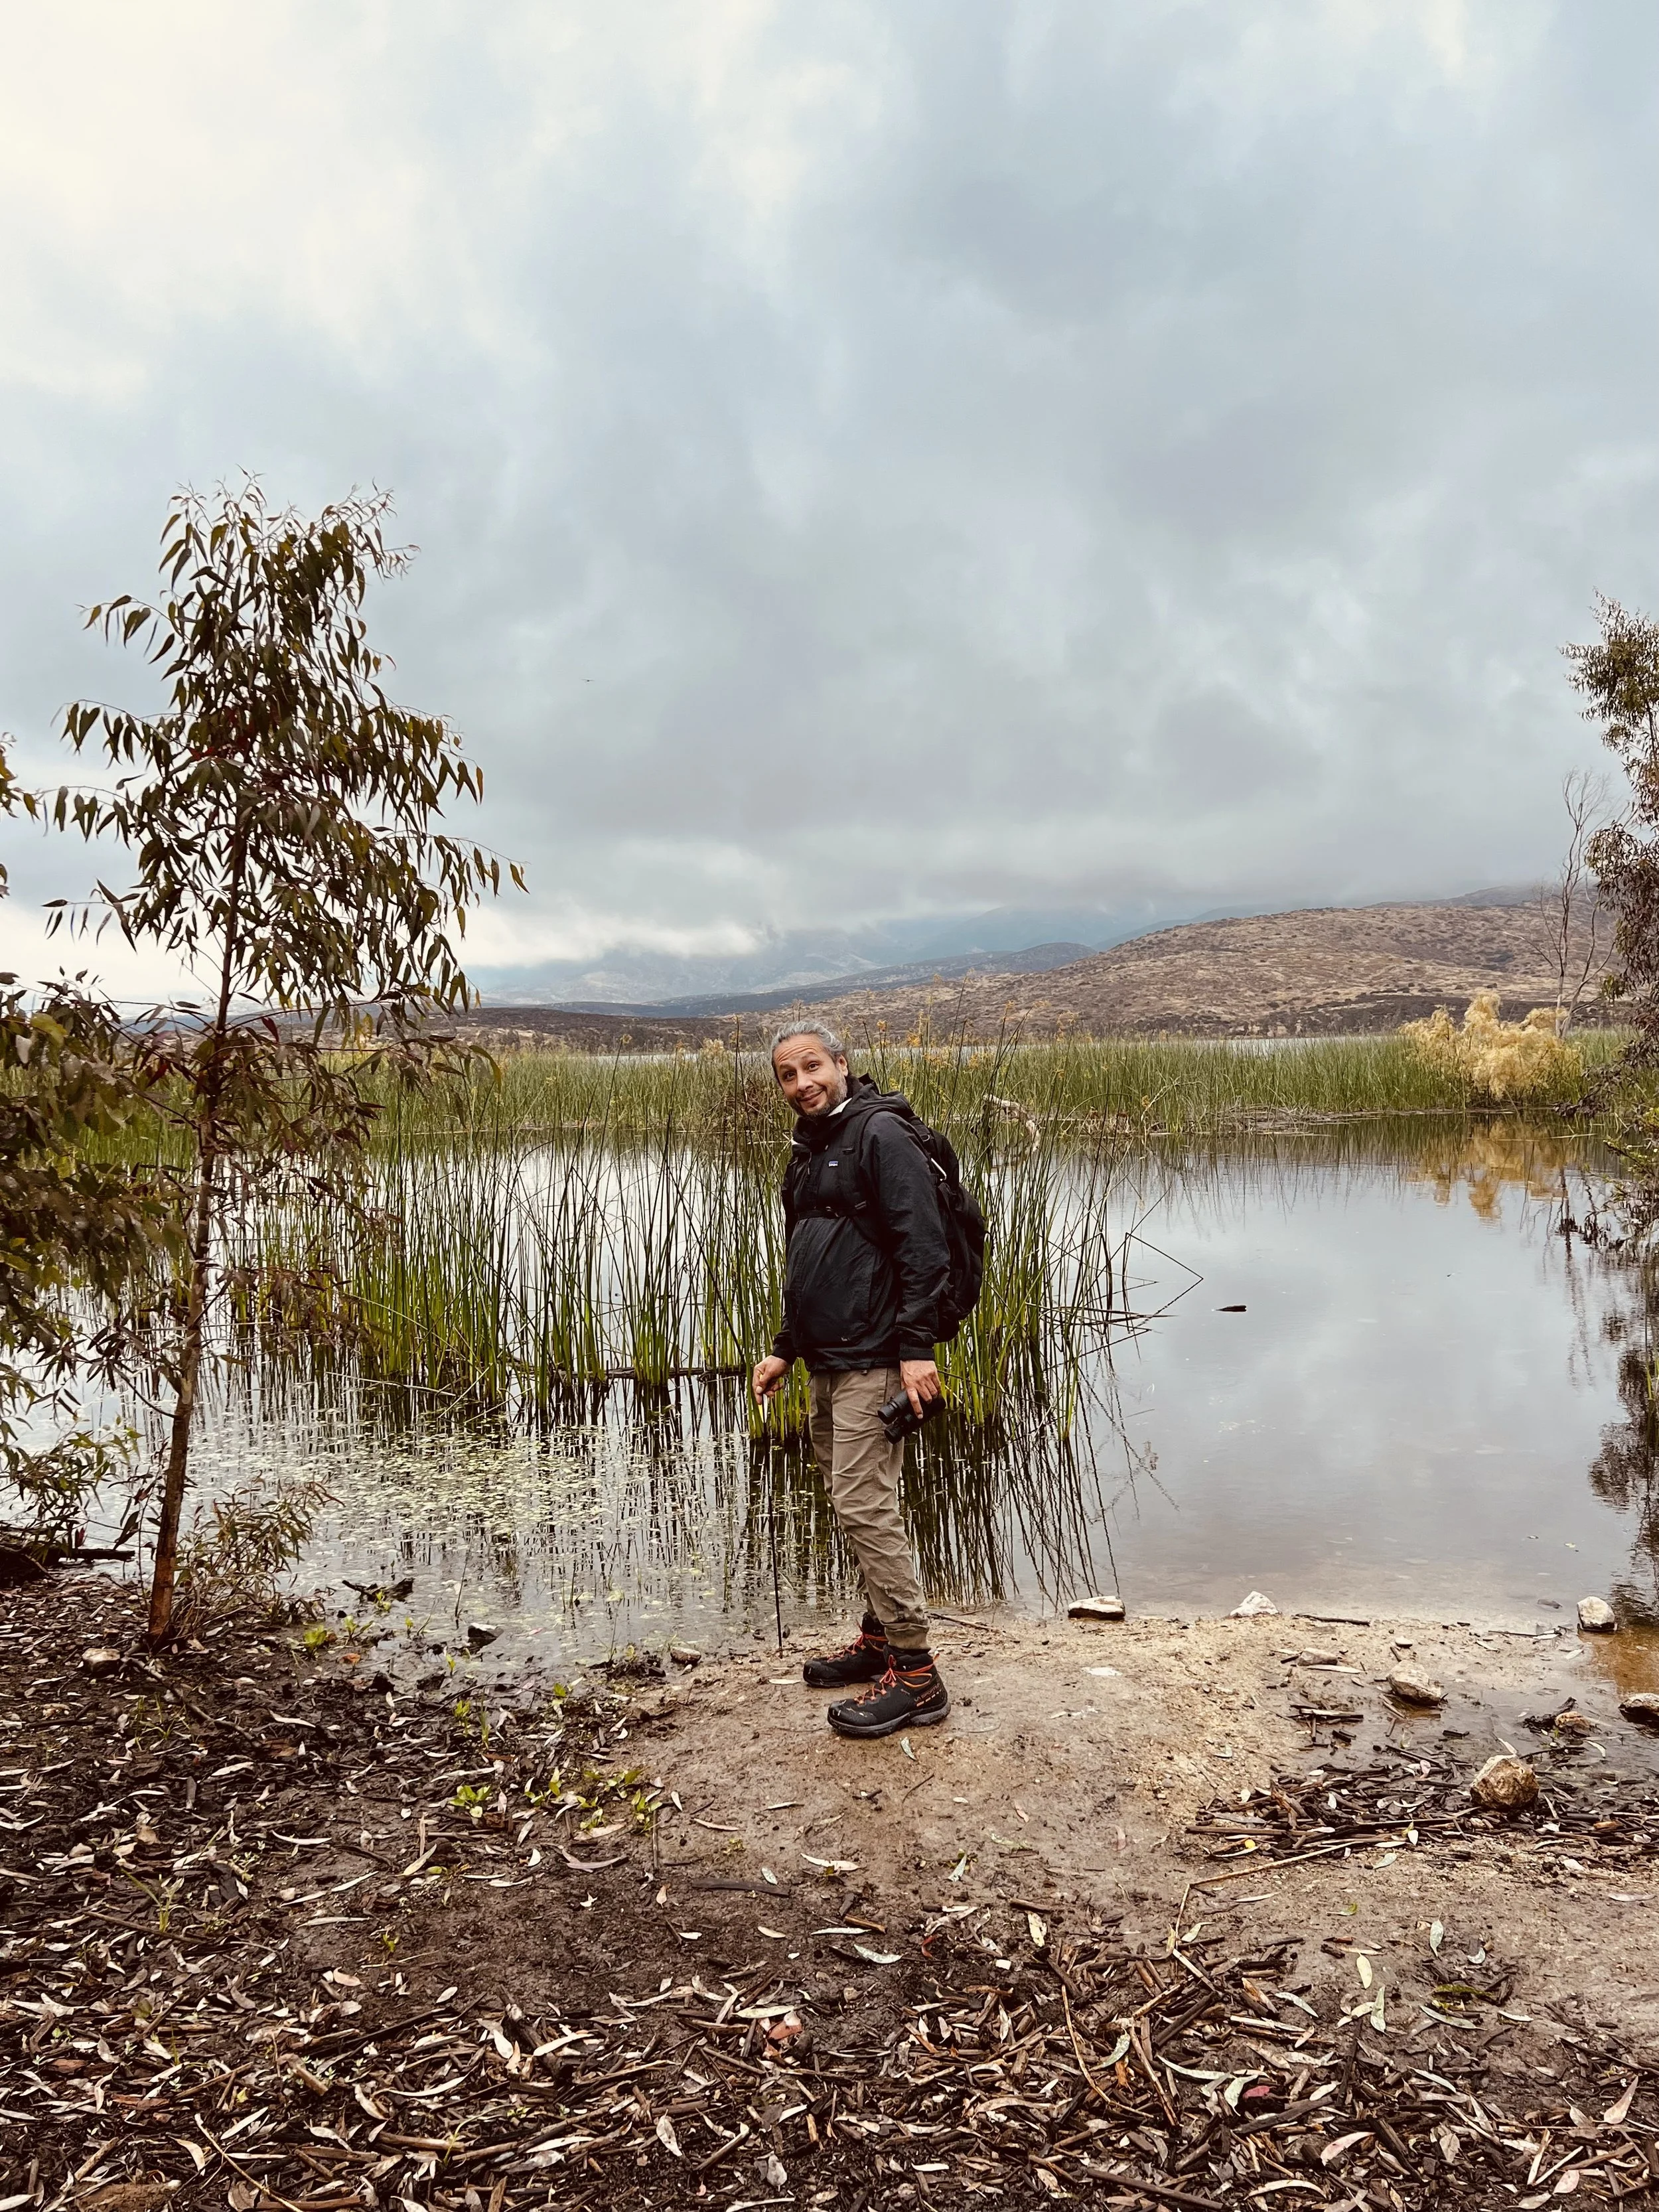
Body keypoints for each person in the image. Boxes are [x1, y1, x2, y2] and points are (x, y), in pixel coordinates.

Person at [752, 1022, 952, 1738]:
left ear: (841, 1064)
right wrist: (784, 1347)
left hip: (878, 1358)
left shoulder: (880, 1135)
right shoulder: (807, 1153)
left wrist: (916, 1348)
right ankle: (876, 1640)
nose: (801, 1083)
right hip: (827, 1358)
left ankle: (918, 1675)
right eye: (786, 1074)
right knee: (851, 1502)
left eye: (812, 1066)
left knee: (867, 1507)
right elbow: (807, 1261)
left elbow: (923, 1246)